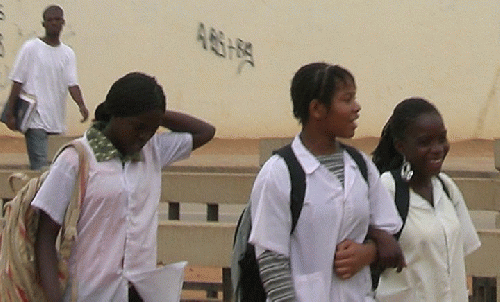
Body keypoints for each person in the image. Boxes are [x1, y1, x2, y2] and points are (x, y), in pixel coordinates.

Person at [32, 72, 216, 301]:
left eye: (151, 129)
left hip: (139, 292)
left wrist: (155, 112)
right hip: (90, 293)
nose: (144, 136)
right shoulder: (76, 159)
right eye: (137, 126)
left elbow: (205, 132)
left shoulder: (153, 151)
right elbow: (45, 237)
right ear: (116, 114)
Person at [248, 62, 403, 301]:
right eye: (347, 100)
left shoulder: (360, 165)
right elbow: (271, 261)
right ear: (317, 109)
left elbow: (387, 232)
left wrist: (367, 253)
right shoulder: (279, 173)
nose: (356, 107)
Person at [372, 97, 481, 301]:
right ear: (401, 146)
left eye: (442, 139)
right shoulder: (388, 188)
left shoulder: (447, 188)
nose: (438, 148)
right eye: (425, 142)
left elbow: (459, 256)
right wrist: (378, 236)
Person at [3, 5, 89, 170]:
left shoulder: (68, 53)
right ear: (43, 24)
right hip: (35, 120)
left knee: (56, 168)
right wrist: (10, 112)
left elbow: (73, 84)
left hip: (56, 121)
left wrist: (82, 105)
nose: (54, 23)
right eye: (49, 20)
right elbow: (17, 81)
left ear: (63, 22)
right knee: (41, 168)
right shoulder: (31, 48)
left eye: (57, 20)